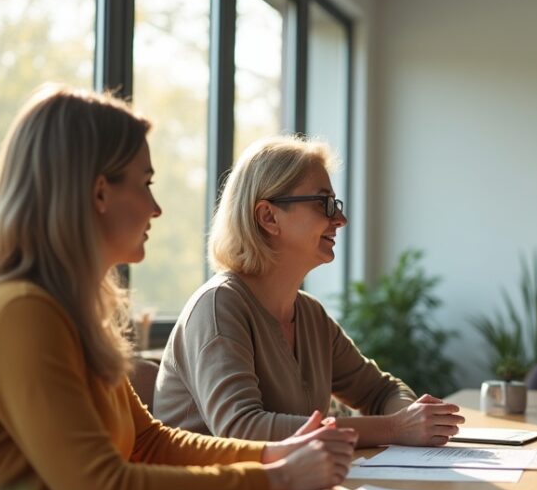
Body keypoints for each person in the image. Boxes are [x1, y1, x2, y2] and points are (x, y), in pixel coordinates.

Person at [0, 86, 357, 490]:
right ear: (100, 192)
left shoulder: (70, 313)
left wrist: (271, 455)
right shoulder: (21, 314)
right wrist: (275, 478)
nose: (156, 208)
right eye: (145, 183)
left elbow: (148, 441)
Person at [154, 136, 464, 447]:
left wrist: (413, 418)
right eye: (323, 203)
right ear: (268, 217)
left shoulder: (310, 314)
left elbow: (380, 391)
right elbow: (242, 428)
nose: (340, 220)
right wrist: (393, 428)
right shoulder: (218, 306)